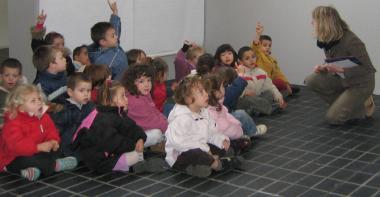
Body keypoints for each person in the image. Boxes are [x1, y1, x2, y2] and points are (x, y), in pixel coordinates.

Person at [72, 82, 168, 174]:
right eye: (122, 96)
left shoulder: (117, 112)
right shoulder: (102, 119)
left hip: (112, 151)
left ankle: (137, 161)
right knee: (135, 155)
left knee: (136, 152)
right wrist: (133, 145)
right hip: (99, 160)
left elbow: (132, 127)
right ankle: (136, 166)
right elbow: (113, 143)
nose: (127, 99)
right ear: (108, 100)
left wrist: (140, 138)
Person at [304, 6, 376, 125]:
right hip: (341, 78)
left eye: (314, 19)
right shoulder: (328, 38)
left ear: (324, 22)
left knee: (332, 118)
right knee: (311, 79)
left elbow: (367, 70)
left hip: (360, 83)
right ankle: (348, 105)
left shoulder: (351, 41)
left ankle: (362, 104)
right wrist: (324, 67)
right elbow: (336, 60)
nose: (311, 22)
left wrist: (341, 69)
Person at [165, 75, 242, 177]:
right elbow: (180, 144)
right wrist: (206, 150)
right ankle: (217, 164)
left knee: (219, 148)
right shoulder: (181, 118)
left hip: (203, 148)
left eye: (205, 91)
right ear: (188, 99)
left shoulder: (204, 112)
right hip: (181, 155)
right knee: (196, 154)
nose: (206, 94)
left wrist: (221, 140)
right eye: (201, 92)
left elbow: (211, 132)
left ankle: (204, 165)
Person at [0, 84, 77, 181]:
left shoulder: (42, 116)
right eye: (33, 101)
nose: (39, 103)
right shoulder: (13, 122)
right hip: (13, 157)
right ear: (20, 107)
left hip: (36, 151)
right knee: (25, 159)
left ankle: (32, 170)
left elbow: (51, 130)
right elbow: (17, 146)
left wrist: (53, 141)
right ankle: (55, 165)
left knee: (56, 148)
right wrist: (38, 147)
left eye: (39, 99)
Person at [204, 74, 267, 154]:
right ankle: (244, 137)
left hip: (230, 127)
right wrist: (236, 130)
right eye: (222, 87)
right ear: (216, 93)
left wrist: (236, 123)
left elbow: (225, 114)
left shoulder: (218, 102)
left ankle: (252, 132)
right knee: (241, 139)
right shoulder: (210, 112)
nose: (225, 89)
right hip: (227, 135)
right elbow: (222, 129)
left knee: (240, 114)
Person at [49, 73, 95, 159]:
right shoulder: (63, 110)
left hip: (83, 144)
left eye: (88, 91)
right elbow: (56, 130)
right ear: (70, 92)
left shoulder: (90, 106)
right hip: (66, 148)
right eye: (81, 91)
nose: (86, 94)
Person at [123, 64, 168, 147]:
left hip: (141, 128)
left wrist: (166, 121)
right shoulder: (135, 102)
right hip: (130, 137)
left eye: (149, 80)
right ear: (131, 83)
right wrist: (169, 127)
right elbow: (151, 122)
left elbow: (155, 111)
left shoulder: (143, 93)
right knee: (157, 134)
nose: (147, 84)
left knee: (166, 122)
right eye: (141, 81)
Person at [236, 46, 286, 116]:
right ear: (241, 61)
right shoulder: (238, 73)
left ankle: (256, 110)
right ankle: (269, 109)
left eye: (253, 57)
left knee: (269, 93)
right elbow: (233, 89)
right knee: (248, 99)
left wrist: (279, 98)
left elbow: (270, 86)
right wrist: (244, 93)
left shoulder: (261, 72)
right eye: (247, 58)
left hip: (257, 98)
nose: (251, 60)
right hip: (244, 100)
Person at [252, 23, 299, 96]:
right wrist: (258, 34)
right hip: (260, 83)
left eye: (269, 45)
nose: (268, 47)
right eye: (265, 45)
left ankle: (287, 89)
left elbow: (278, 73)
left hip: (269, 82)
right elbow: (254, 47)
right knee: (277, 85)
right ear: (259, 46)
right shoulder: (258, 55)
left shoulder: (272, 59)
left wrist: (286, 83)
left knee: (280, 82)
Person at [87, 1, 128, 80]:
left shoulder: (112, 44)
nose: (116, 37)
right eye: (113, 36)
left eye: (115, 34)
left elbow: (114, 27)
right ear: (103, 42)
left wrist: (115, 11)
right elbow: (105, 82)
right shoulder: (102, 61)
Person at [30, 10, 76, 77]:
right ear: (48, 46)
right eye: (57, 45)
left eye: (62, 44)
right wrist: (40, 24)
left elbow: (71, 73)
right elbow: (36, 40)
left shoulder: (66, 58)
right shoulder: (44, 56)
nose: (61, 47)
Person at [0, 58, 24, 127]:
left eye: (15, 76)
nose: (11, 78)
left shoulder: (23, 90)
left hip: (21, 123)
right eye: (7, 75)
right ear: (1, 76)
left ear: (20, 77)